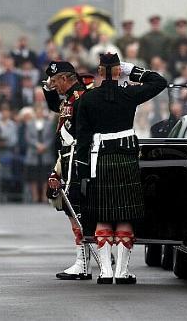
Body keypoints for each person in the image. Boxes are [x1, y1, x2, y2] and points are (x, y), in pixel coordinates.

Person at [75, 52, 167, 284]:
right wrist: (133, 70)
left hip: (100, 159)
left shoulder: (88, 99)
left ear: (98, 71)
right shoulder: (129, 93)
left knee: (103, 215)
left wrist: (82, 172)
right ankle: (122, 272)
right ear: (118, 71)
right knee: (125, 214)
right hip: (126, 158)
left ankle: (105, 271)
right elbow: (159, 82)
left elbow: (82, 138)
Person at [43, 60, 91, 280]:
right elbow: (57, 108)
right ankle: (83, 260)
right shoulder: (70, 98)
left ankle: (83, 263)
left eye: (55, 82)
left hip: (76, 159)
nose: (54, 86)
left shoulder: (81, 97)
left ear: (64, 78)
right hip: (67, 158)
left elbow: (80, 135)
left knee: (76, 210)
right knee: (71, 210)